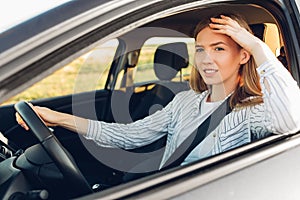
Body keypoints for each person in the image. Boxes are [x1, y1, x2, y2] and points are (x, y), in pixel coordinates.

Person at [16, 13, 300, 170]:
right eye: (200, 49)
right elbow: (130, 135)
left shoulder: (251, 110)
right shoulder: (185, 101)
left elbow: (293, 121)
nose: (205, 59)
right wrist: (57, 118)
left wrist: (257, 46)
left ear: (243, 56)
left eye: (219, 49)